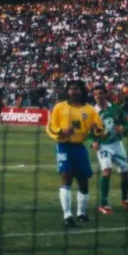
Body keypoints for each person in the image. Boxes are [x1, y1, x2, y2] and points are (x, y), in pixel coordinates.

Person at [46, 80, 105, 227]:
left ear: (82, 91)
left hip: (80, 147)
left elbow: (101, 130)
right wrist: (61, 131)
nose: (73, 91)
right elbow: (50, 127)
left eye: (76, 89)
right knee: (66, 176)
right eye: (70, 89)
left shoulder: (90, 110)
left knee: (83, 180)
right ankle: (67, 215)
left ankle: (81, 213)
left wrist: (96, 129)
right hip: (63, 146)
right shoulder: (60, 107)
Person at [91, 84, 128, 215]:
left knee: (125, 171)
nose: (98, 96)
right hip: (103, 145)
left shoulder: (115, 109)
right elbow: (86, 131)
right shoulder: (92, 112)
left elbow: (127, 124)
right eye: (95, 94)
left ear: (105, 94)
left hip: (117, 144)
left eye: (100, 93)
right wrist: (92, 142)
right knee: (107, 170)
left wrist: (123, 129)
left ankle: (125, 198)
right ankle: (103, 204)